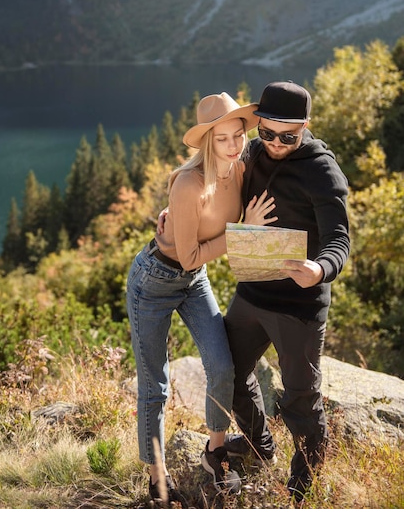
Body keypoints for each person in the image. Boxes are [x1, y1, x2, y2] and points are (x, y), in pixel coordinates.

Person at [126, 92, 278, 504]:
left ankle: (215, 451)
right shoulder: (189, 183)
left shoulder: (241, 167)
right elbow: (190, 252)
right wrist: (241, 232)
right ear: (207, 142)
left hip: (195, 281)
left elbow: (285, 142)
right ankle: (157, 479)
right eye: (222, 139)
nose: (233, 146)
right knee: (155, 383)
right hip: (153, 282)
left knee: (223, 366)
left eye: (238, 136)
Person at [223, 81, 350, 504]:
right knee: (227, 375)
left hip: (299, 306)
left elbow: (339, 240)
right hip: (253, 293)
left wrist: (320, 268)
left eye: (288, 136)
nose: (276, 144)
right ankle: (262, 448)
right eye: (268, 133)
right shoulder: (254, 152)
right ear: (259, 125)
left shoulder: (321, 170)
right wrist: (186, 207)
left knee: (300, 399)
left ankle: (303, 485)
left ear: (305, 128)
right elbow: (221, 192)